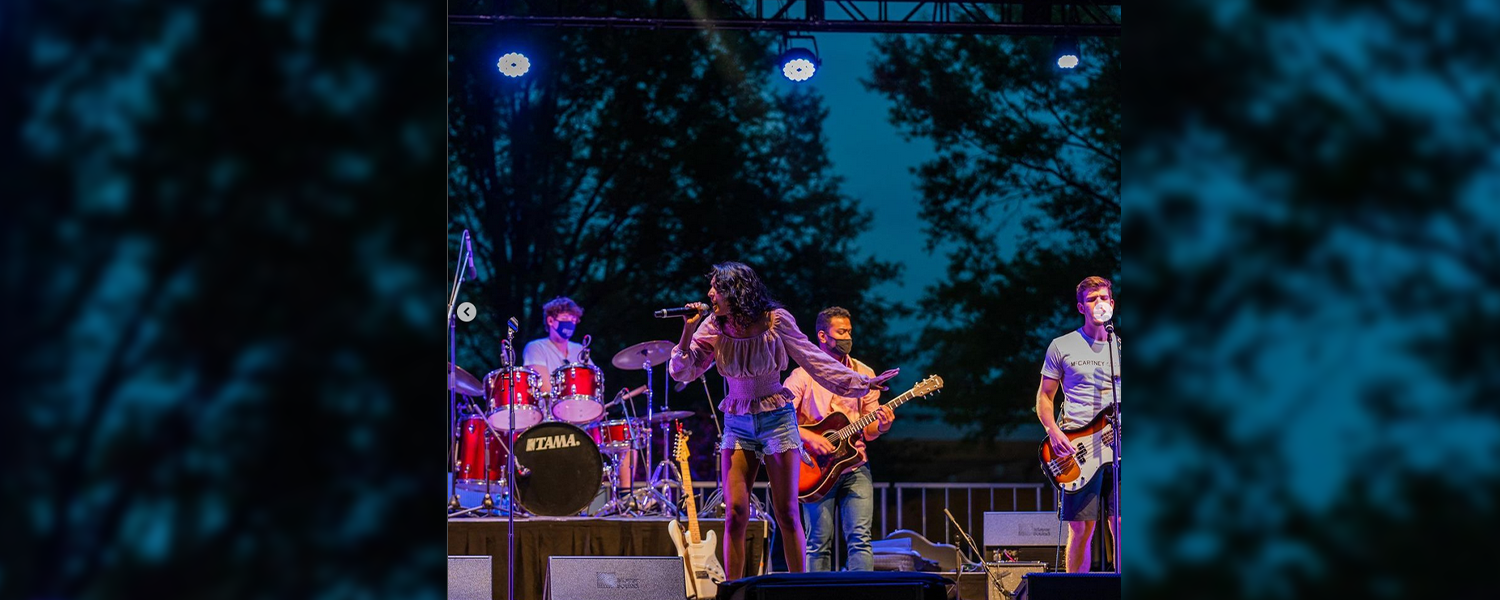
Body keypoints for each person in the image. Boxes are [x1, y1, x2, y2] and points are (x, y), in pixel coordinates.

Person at [669, 262, 899, 578]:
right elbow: (682, 370)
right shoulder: (714, 325)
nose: (710, 294)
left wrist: (862, 382)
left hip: (777, 419)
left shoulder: (775, 321)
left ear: (736, 291)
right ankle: (734, 590)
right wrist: (687, 329)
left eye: (716, 288)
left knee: (787, 512)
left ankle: (798, 588)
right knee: (735, 513)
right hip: (738, 420)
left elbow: (814, 360)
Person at [787, 306, 895, 572]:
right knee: (817, 542)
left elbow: (869, 432)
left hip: (854, 465)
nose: (848, 336)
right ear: (823, 336)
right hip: (815, 469)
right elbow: (780, 416)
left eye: (850, 331)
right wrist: (810, 437)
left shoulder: (864, 374)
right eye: (841, 331)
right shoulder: (803, 374)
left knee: (860, 539)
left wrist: (882, 426)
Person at [1035, 276, 1120, 573]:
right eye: (1093, 298)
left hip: (1119, 448)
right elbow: (1045, 397)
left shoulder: (1122, 348)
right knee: (1082, 530)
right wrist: (1052, 430)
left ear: (1112, 303)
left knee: (1123, 525)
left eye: (1104, 297)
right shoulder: (1062, 346)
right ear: (1081, 307)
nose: (1100, 303)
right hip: (1077, 450)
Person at [520, 297, 634, 495]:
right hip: (550, 420)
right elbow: (545, 388)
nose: (570, 323)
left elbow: (594, 385)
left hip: (584, 421)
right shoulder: (536, 347)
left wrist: (594, 407)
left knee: (626, 439)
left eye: (574, 320)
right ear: (550, 320)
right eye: (565, 318)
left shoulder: (580, 350)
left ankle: (624, 498)